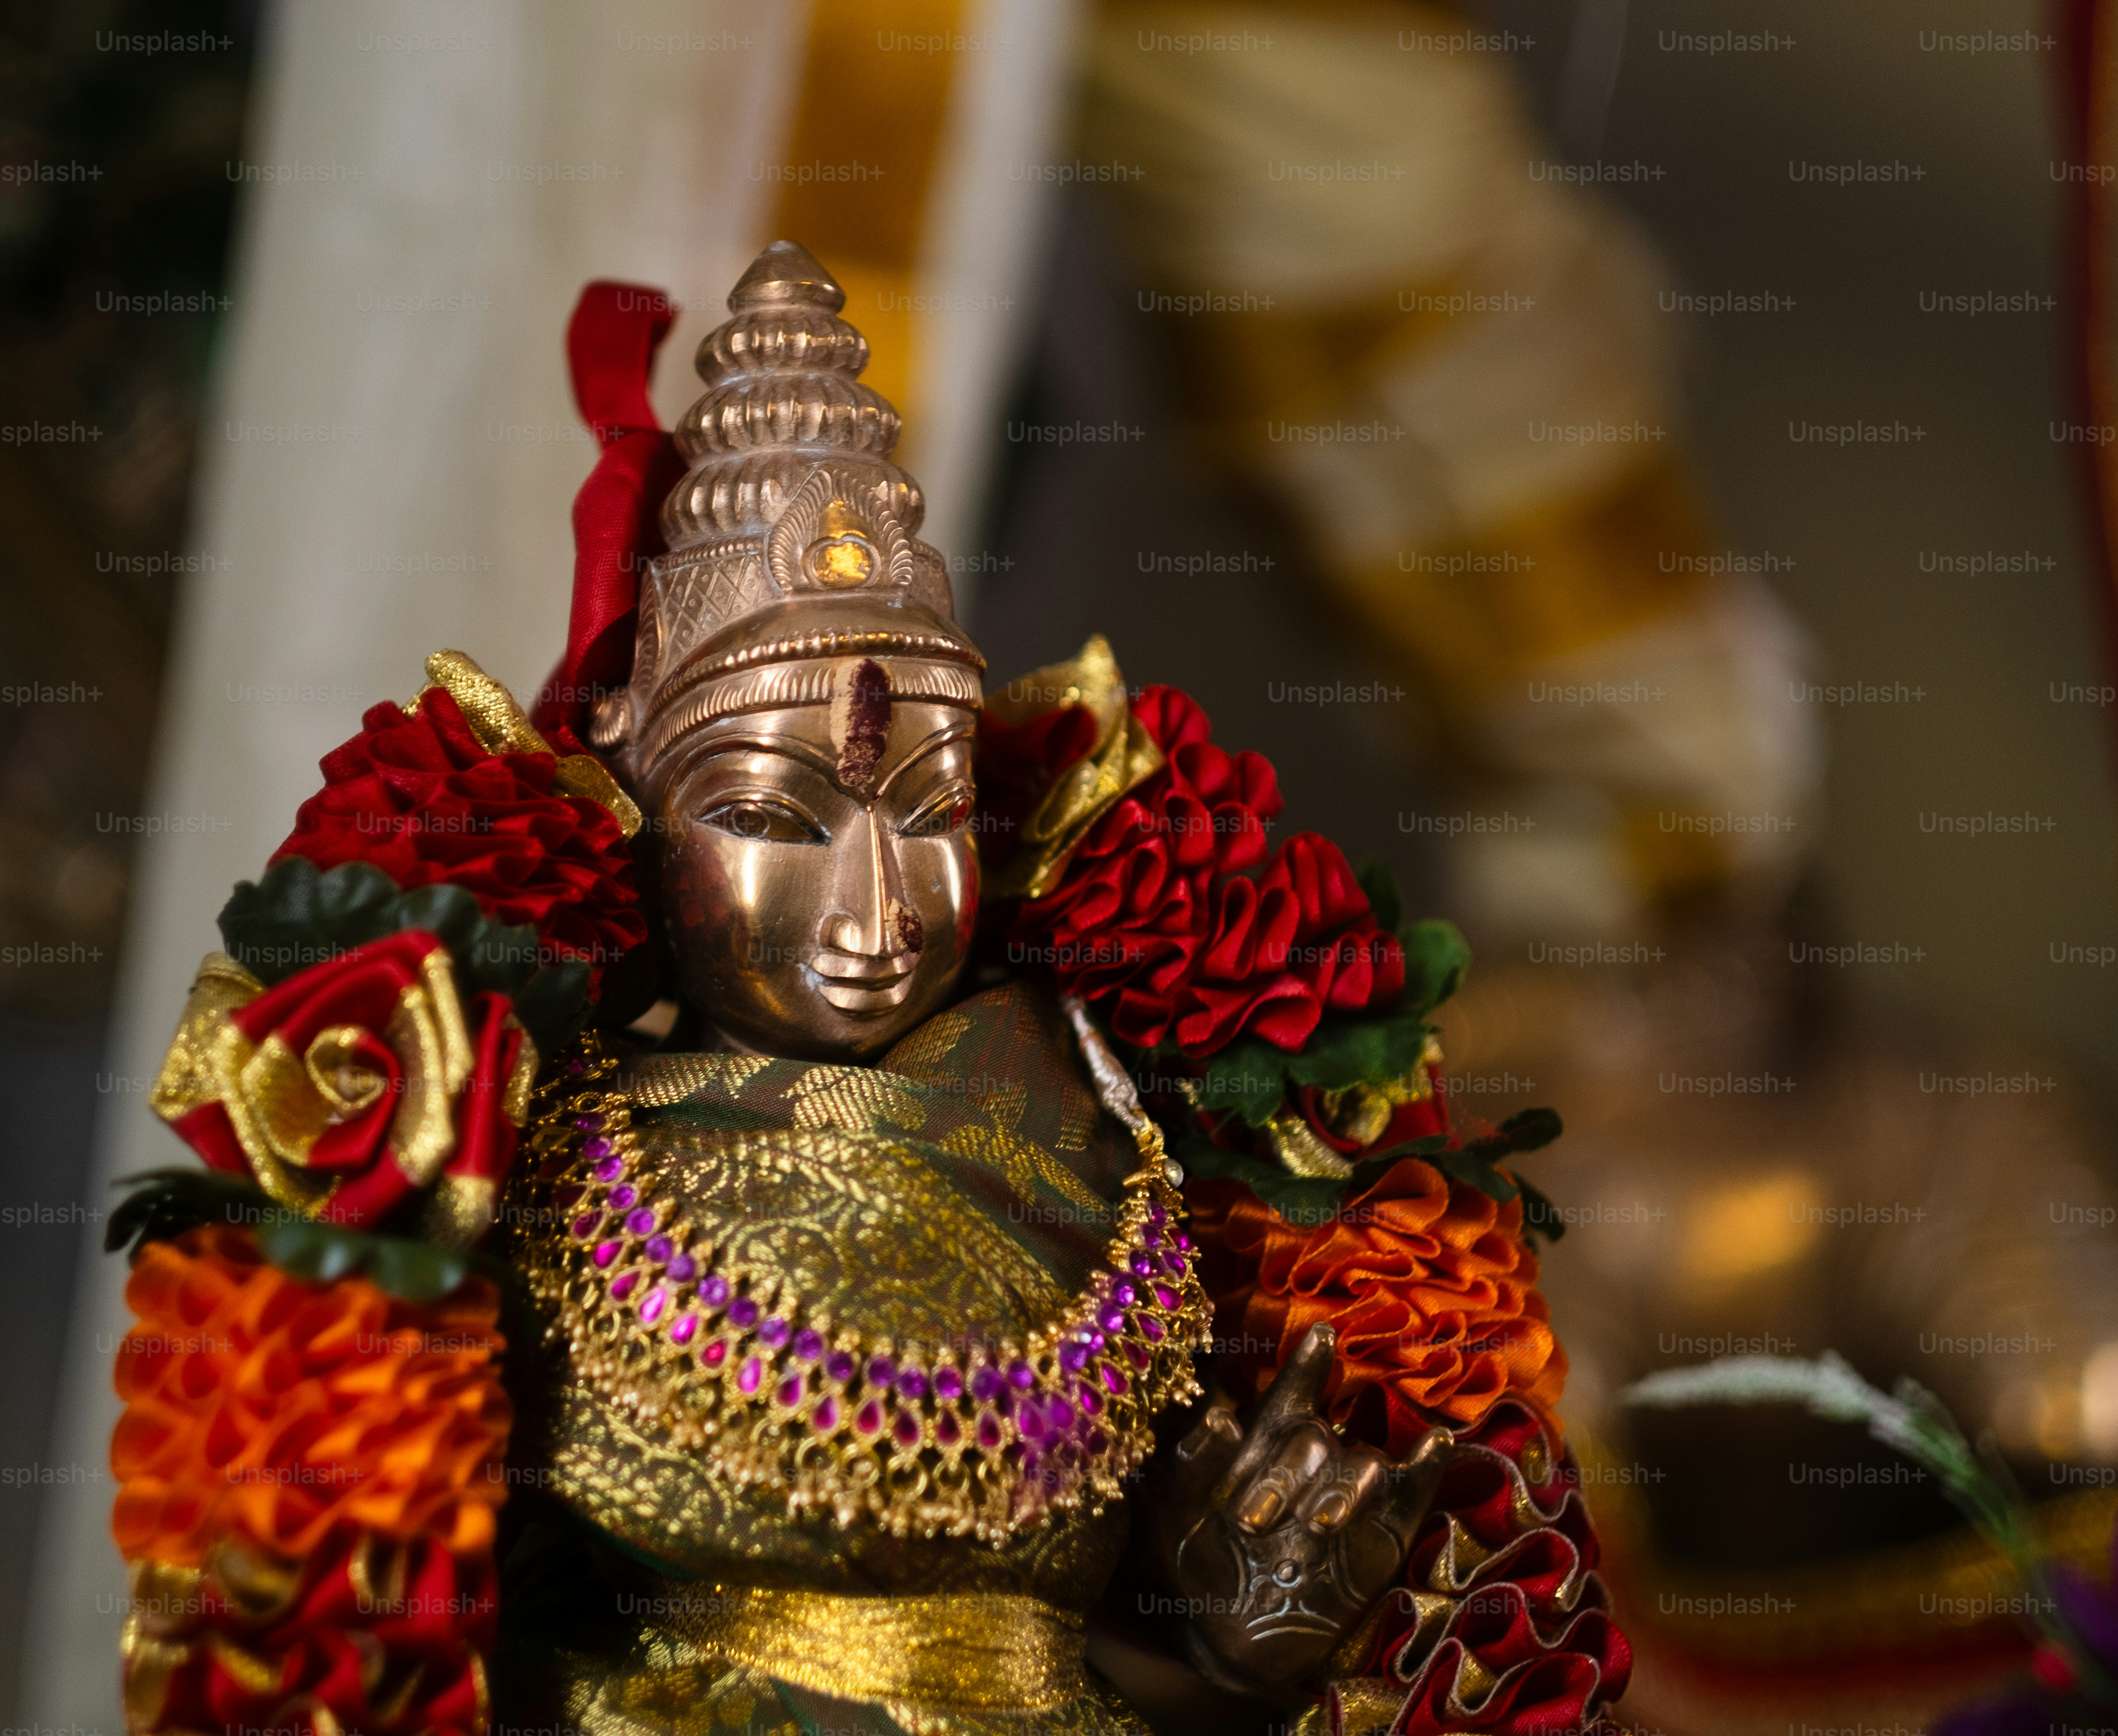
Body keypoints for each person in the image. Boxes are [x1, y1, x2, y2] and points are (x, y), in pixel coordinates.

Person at [102, 243, 1628, 1736]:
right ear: (640, 801)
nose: (875, 905)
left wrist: (1246, 1639)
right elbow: (406, 1589)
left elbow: (1138, 1603)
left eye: (932, 808)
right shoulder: (543, 1159)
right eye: (774, 819)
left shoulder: (1108, 1138)